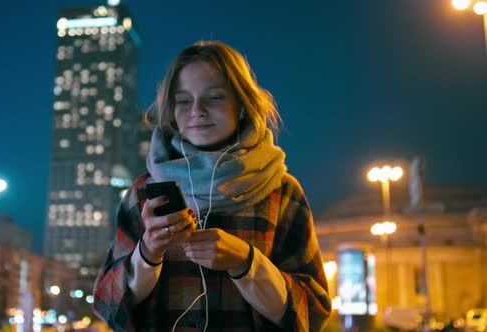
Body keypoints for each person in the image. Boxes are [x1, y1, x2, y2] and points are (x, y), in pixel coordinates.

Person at [93, 40, 331, 331]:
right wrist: (147, 254)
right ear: (170, 109)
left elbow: (315, 311)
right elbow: (105, 303)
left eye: (214, 97)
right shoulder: (142, 193)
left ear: (242, 105)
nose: (197, 110)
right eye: (183, 100)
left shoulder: (281, 191)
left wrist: (246, 263)